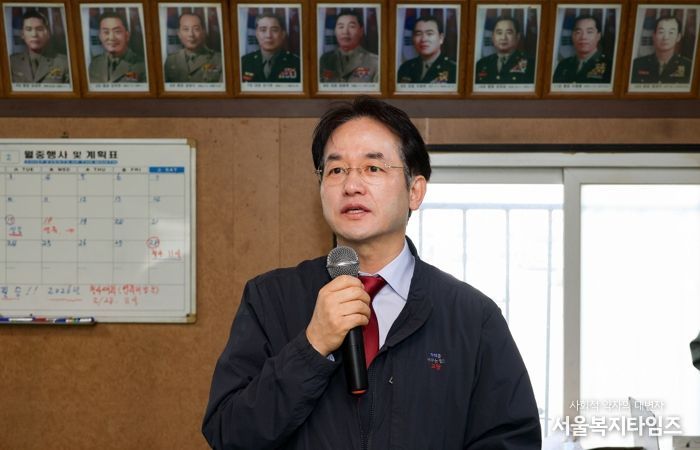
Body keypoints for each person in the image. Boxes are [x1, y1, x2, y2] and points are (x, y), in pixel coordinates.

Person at [202, 97, 542, 449]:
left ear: (415, 191)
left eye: (373, 168)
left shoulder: (472, 316)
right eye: (336, 170)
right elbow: (229, 434)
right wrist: (312, 346)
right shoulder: (269, 299)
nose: (351, 185)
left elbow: (512, 440)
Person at [9, 10, 70, 84]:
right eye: (29, 29)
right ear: (22, 34)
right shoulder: (12, 62)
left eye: (39, 29)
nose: (34, 34)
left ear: (47, 33)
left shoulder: (64, 63)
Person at [319, 10, 378, 83]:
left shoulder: (375, 62)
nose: (345, 32)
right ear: (335, 31)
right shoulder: (325, 60)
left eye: (351, 26)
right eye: (341, 27)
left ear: (361, 31)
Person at [241, 12, 300, 83]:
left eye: (274, 30)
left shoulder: (297, 63)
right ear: (256, 34)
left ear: (283, 34)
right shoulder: (244, 62)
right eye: (263, 30)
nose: (268, 35)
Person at [631, 16, 692, 84]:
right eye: (661, 32)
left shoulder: (689, 66)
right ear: (654, 36)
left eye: (671, 32)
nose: (665, 37)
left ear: (678, 37)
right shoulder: (637, 64)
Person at [163, 12, 222, 83]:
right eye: (186, 29)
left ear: (203, 32)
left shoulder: (219, 60)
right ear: (179, 34)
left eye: (196, 29)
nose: (191, 34)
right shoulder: (171, 60)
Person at [88, 11, 146, 83]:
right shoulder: (95, 64)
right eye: (106, 32)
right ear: (100, 36)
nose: (111, 38)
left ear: (127, 36)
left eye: (117, 31)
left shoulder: (142, 65)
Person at [396, 15, 456, 84]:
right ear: (413, 38)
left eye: (429, 34)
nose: (423, 39)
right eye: (418, 34)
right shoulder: (405, 67)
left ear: (441, 38)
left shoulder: (453, 69)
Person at [552, 14, 611, 84]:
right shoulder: (563, 64)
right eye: (578, 32)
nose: (583, 37)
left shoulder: (610, 66)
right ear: (573, 36)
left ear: (598, 36)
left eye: (589, 32)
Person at [474, 16, 534, 84]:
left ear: (518, 37)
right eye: (499, 33)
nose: (503, 38)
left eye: (509, 33)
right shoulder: (481, 64)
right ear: (493, 37)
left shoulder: (531, 64)